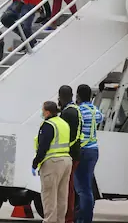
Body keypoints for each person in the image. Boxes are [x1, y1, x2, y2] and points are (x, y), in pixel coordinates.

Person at [33, 101, 72, 223]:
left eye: (43, 110)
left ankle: (49, 221)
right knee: (62, 196)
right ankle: (60, 221)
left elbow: (43, 146)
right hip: (66, 161)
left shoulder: (48, 125)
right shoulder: (64, 124)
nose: (41, 112)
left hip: (53, 162)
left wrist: (35, 162)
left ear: (48, 112)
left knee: (49, 196)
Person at [74, 84, 103, 223]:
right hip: (94, 150)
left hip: (83, 150)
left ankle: (84, 219)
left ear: (78, 96)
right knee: (87, 186)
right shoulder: (95, 111)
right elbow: (100, 118)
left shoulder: (79, 111)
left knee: (82, 189)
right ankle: (84, 216)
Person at [58, 86, 82, 223]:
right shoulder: (75, 110)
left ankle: (68, 217)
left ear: (61, 97)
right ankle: (69, 215)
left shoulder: (68, 114)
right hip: (75, 153)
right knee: (70, 186)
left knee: (66, 188)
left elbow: (69, 136)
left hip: (70, 154)